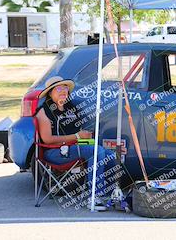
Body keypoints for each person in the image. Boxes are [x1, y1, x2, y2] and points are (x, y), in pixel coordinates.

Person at [36, 76, 116, 211]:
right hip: (54, 152)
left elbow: (77, 132)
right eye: (58, 88)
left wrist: (84, 136)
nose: (63, 91)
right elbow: (47, 139)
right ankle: (94, 197)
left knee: (110, 154)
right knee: (96, 151)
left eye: (65, 88)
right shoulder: (44, 112)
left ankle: (106, 195)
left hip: (73, 148)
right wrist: (77, 136)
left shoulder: (71, 108)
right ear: (50, 93)